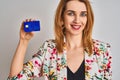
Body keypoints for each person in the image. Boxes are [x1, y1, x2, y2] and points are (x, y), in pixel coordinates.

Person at [8, 0, 112, 80]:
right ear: (61, 18)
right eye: (71, 13)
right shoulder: (49, 50)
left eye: (83, 14)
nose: (77, 20)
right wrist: (23, 41)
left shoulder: (102, 50)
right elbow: (16, 78)